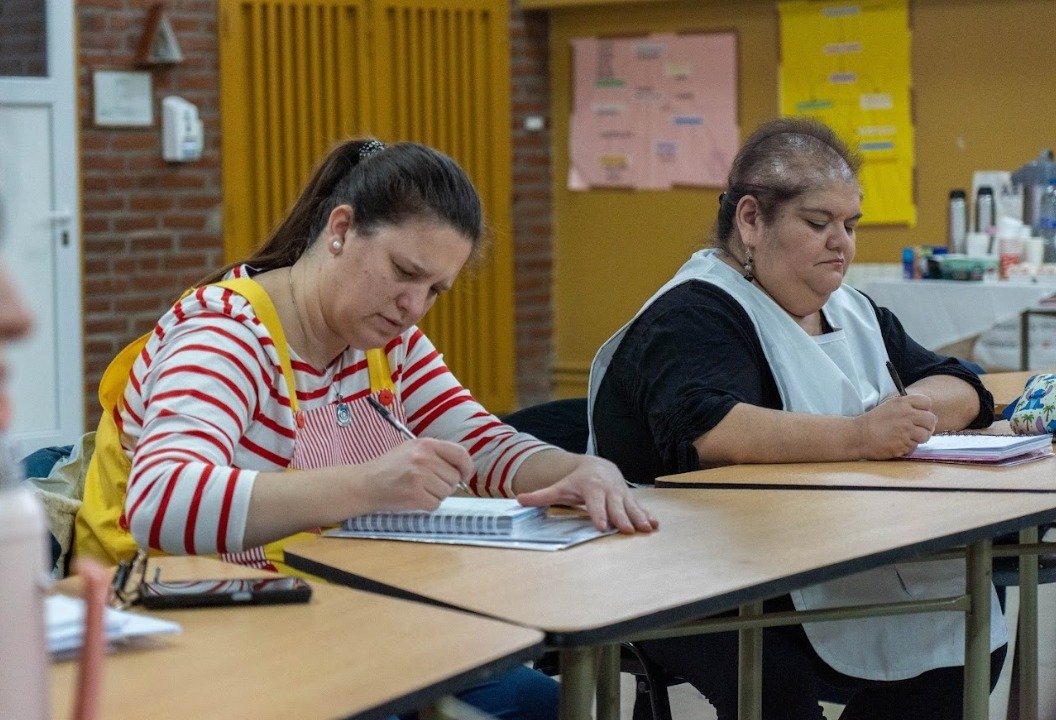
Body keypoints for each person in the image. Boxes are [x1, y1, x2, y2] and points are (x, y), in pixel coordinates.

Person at [74, 138, 657, 720]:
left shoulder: (385, 342)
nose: (413, 306)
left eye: (434, 291)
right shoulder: (225, 335)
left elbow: (479, 442)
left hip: (321, 613)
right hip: (178, 629)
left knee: (542, 706)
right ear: (341, 229)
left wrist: (578, 469)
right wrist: (367, 486)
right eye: (404, 272)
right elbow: (162, 503)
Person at [587, 117, 1005, 719]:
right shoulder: (693, 314)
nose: (843, 245)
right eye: (818, 223)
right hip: (692, 570)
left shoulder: (852, 309)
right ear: (751, 221)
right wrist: (861, 435)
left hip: (819, 547)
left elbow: (963, 386)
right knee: (776, 683)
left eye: (850, 225)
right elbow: (716, 433)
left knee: (970, 625)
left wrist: (912, 412)